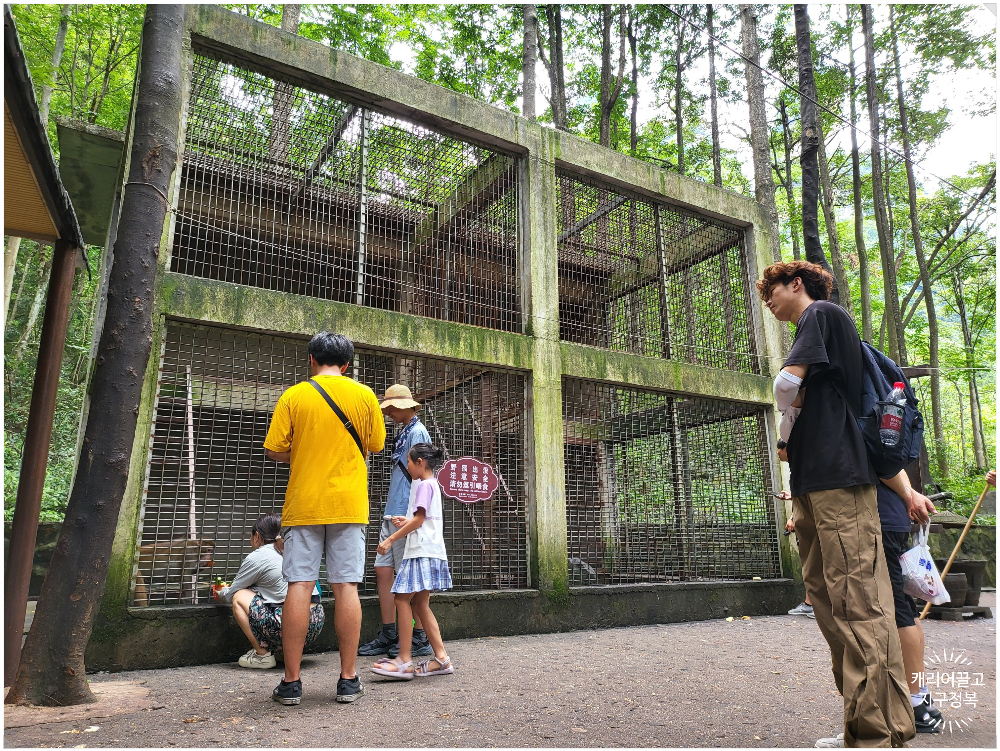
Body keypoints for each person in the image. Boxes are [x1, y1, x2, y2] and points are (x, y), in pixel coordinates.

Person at [758, 261, 914, 748]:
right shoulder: (817, 335)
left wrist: (789, 402)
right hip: (811, 484)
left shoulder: (822, 314)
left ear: (796, 285)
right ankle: (870, 724)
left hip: (839, 481)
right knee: (829, 603)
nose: (768, 300)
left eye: (772, 291)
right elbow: (793, 414)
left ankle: (876, 733)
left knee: (858, 603)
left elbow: (784, 389)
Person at [264, 332, 386, 706]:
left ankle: (291, 682)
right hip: (349, 504)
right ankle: (348, 680)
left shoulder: (294, 395)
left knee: (299, 585)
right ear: (347, 364)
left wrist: (303, 453)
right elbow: (376, 445)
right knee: (346, 586)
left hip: (304, 505)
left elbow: (274, 450)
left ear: (312, 359)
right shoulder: (365, 396)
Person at [358, 384, 434, 660]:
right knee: (383, 570)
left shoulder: (417, 431)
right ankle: (390, 632)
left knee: (407, 577)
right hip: (393, 509)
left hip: (405, 511)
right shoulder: (404, 431)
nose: (388, 411)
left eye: (391, 407)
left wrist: (413, 514)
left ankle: (418, 636)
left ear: (403, 406)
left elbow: (421, 475)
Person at [370, 443, 455, 680]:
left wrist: (390, 540)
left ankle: (404, 660)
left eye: (408, 461)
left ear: (420, 463)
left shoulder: (422, 486)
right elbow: (422, 519)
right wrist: (407, 521)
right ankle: (442, 658)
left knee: (401, 599)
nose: (407, 466)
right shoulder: (432, 485)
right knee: (420, 605)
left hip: (420, 551)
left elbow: (419, 520)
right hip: (432, 550)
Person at [216, 513, 325, 670]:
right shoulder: (293, 549)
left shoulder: (258, 556)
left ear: (257, 536)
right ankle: (288, 653)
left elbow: (232, 594)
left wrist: (220, 592)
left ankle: (263, 656)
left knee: (239, 596)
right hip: (315, 622)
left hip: (289, 625)